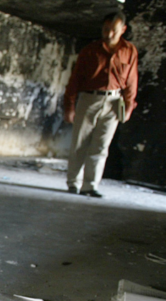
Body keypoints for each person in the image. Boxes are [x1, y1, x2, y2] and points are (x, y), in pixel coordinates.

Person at [63, 11, 138, 198]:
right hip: (89, 99)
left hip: (114, 102)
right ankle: (73, 183)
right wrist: (69, 106)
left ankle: (90, 186)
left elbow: (131, 81)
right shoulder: (90, 50)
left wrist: (129, 106)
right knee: (80, 143)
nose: (109, 34)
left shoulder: (129, 51)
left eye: (113, 30)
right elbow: (75, 80)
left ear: (123, 30)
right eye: (106, 29)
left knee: (101, 146)